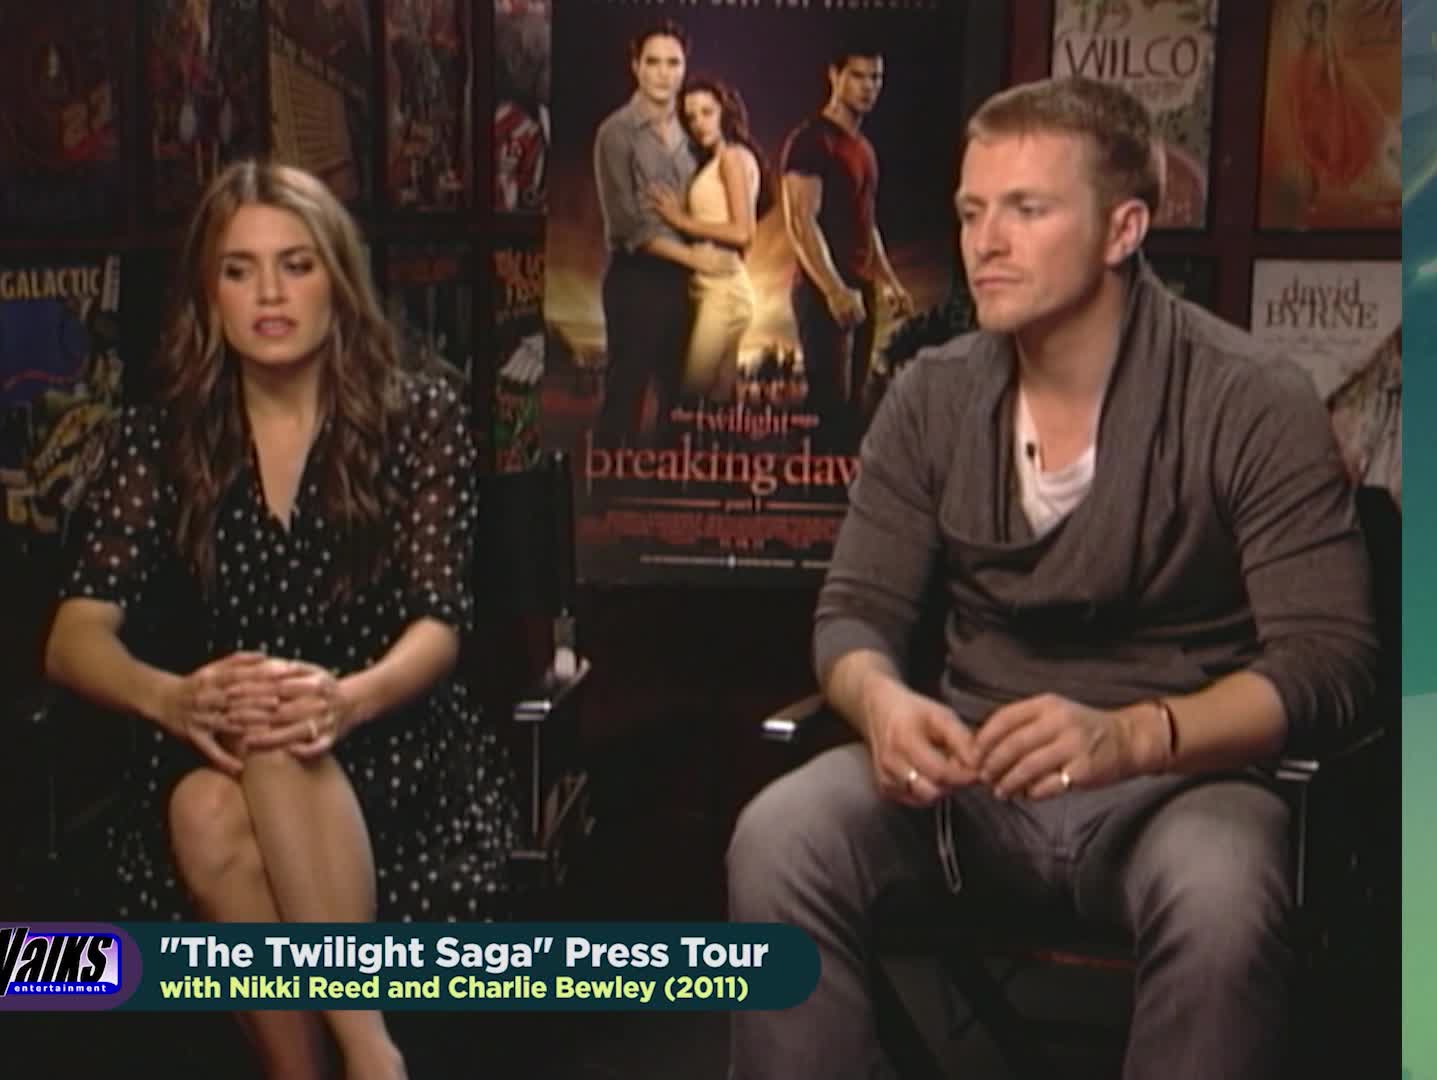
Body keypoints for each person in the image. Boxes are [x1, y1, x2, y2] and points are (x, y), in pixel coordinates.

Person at [728, 77, 1380, 1079]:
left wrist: (1134, 736)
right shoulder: (931, 396)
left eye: (1027, 209)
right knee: (779, 834)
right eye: (970, 212)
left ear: (1124, 229)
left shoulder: (1251, 398)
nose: (984, 242)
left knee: (1223, 891)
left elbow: (1330, 663)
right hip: (971, 780)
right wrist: (882, 705)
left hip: (1178, 782)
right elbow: (854, 613)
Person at [43, 161, 518, 1080]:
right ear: (208, 294)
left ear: (337, 281)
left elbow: (439, 623)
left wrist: (346, 700)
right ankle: (363, 1059)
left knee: (265, 738)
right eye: (239, 269)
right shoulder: (160, 435)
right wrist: (170, 698)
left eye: (295, 265)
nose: (269, 294)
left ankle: (352, 1060)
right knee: (217, 785)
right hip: (209, 747)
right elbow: (72, 639)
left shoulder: (419, 412)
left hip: (392, 747)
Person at [591, 20, 742, 447]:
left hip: (691, 284)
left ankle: (668, 482)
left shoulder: (694, 132)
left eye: (673, 63)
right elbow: (626, 224)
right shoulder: (616, 133)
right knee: (624, 399)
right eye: (653, 62)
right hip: (637, 280)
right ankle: (608, 485)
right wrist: (694, 256)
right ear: (636, 66)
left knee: (681, 407)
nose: (663, 73)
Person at [780, 45, 914, 448]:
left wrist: (889, 281)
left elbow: (866, 223)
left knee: (854, 413)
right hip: (823, 292)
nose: (869, 86)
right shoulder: (811, 140)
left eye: (876, 78)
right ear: (834, 76)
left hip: (861, 290)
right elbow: (800, 221)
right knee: (829, 414)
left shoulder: (864, 149)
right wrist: (834, 289)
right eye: (858, 76)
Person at [646, 76, 769, 403]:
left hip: (723, 292)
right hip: (717, 287)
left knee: (692, 394)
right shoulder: (717, 161)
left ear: (724, 112)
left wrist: (681, 220)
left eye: (707, 112)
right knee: (716, 400)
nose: (699, 123)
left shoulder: (732, 157)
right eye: (691, 117)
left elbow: (744, 232)